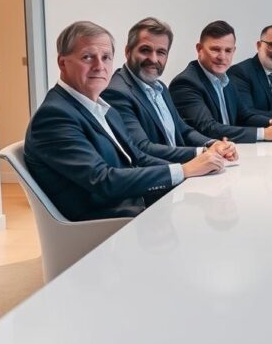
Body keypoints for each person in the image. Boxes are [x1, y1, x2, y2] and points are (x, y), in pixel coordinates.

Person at [24, 21, 226, 222]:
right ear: (62, 63)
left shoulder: (103, 108)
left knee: (216, 202)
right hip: (105, 223)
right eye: (87, 57)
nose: (99, 66)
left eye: (106, 57)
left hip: (135, 205)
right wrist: (184, 170)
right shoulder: (54, 116)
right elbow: (103, 180)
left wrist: (190, 169)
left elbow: (138, 157)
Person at [103, 17, 239, 164]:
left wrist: (213, 144)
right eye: (145, 50)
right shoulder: (117, 92)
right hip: (164, 174)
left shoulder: (160, 87)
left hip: (184, 169)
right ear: (128, 52)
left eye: (161, 52)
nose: (153, 59)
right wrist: (202, 152)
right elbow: (142, 148)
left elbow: (183, 130)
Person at [169, 20, 272, 143]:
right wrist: (264, 133)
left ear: (234, 51)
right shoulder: (185, 83)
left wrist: (271, 122)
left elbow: (244, 115)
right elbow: (208, 128)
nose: (222, 57)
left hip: (231, 149)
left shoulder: (226, 80)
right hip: (207, 154)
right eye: (215, 49)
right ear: (199, 49)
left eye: (228, 50)